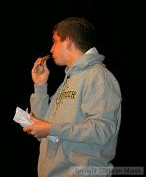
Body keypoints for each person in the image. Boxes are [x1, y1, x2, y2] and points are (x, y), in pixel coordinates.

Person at [23, 17, 122, 177]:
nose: (51, 49)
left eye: (55, 41)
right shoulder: (68, 82)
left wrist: (52, 128)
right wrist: (40, 87)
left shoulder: (98, 76)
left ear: (67, 42)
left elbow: (102, 130)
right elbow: (44, 133)